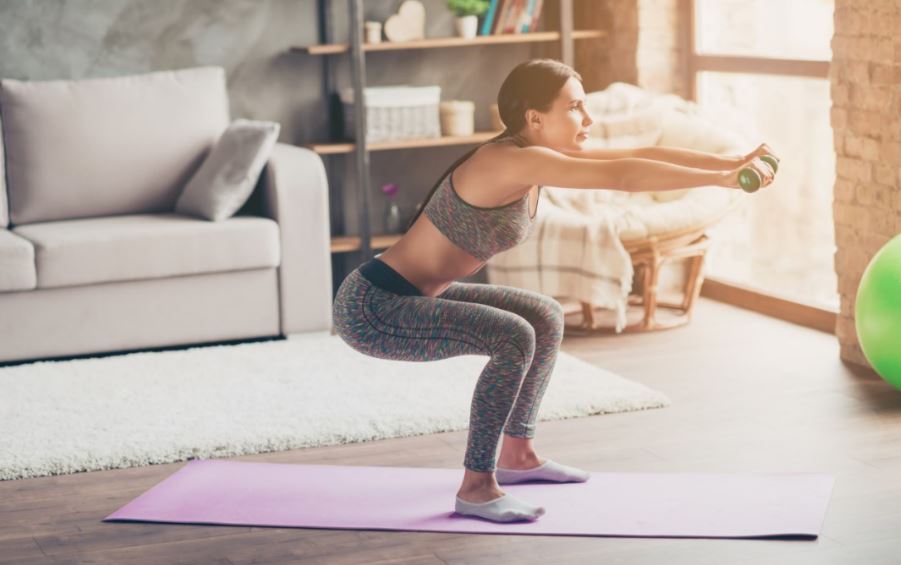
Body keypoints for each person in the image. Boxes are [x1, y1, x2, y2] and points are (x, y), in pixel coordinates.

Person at [332, 58, 777, 523]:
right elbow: (624, 178)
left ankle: (518, 454)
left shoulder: (536, 160)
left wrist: (734, 162)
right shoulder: (506, 160)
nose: (588, 119)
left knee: (544, 315)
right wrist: (723, 180)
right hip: (374, 306)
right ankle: (477, 486)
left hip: (414, 295)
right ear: (535, 118)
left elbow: (642, 154)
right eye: (576, 108)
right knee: (513, 336)